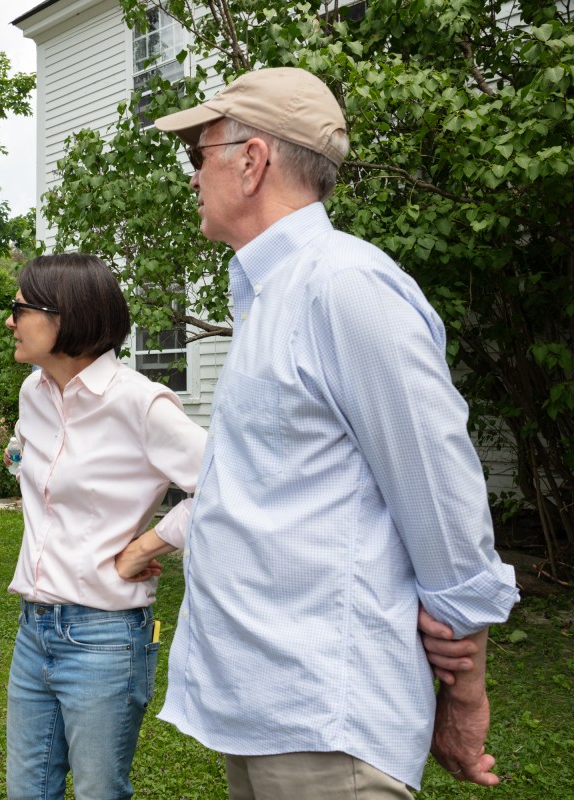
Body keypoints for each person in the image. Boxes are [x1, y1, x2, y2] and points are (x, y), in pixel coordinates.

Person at [115, 68, 519, 798]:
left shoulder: (344, 288)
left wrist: (464, 687)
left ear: (252, 159)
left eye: (196, 153)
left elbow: (441, 498)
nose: (193, 175)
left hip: (328, 729)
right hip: (269, 714)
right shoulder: (273, 295)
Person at [3, 253, 207, 800]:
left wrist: (149, 544)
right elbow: (31, 461)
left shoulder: (140, 403)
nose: (10, 320)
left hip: (105, 639)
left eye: (19, 308)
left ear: (63, 317)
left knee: (99, 792)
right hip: (34, 630)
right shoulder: (33, 394)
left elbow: (228, 486)